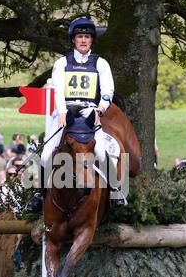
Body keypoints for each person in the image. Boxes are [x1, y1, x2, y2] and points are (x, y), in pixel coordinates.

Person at [26, 17, 120, 213]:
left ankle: (115, 191)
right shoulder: (62, 63)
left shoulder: (101, 63)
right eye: (80, 37)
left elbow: (108, 90)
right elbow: (58, 90)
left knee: (102, 152)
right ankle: (39, 196)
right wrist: (61, 112)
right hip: (65, 111)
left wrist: (100, 109)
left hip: (89, 112)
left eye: (87, 37)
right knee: (45, 156)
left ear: (92, 40)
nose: (83, 40)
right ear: (73, 40)